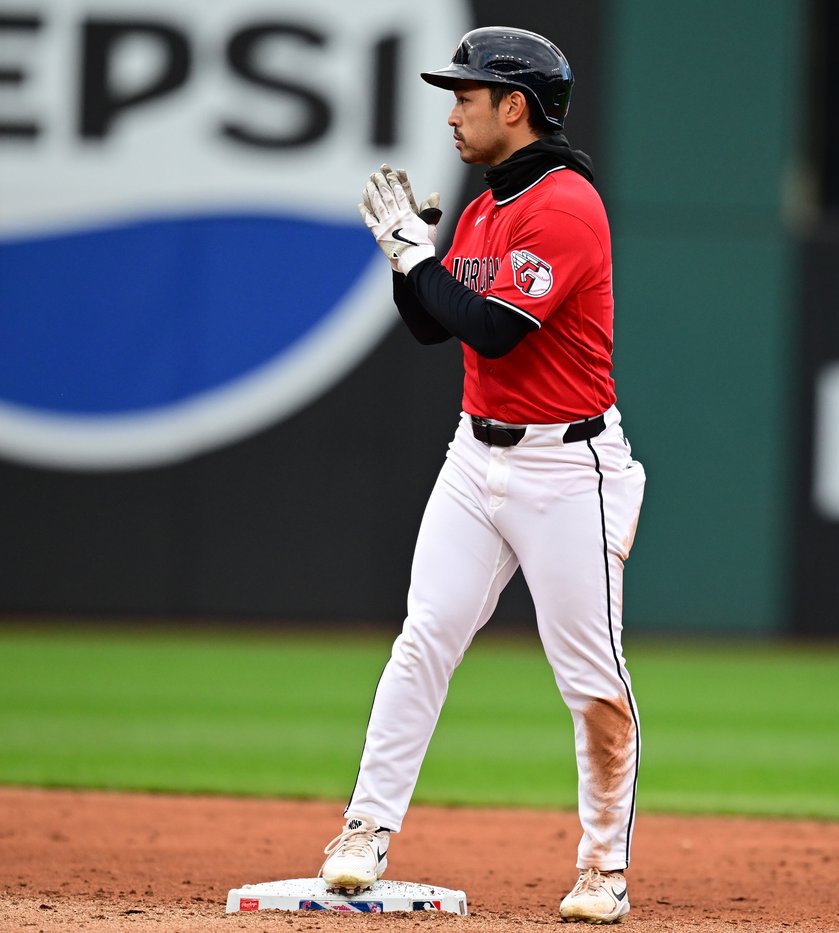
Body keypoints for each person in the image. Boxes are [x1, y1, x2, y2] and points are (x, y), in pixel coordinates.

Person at [318, 26, 645, 924]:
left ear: (516, 107)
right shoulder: (486, 205)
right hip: (476, 455)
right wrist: (407, 259)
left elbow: (498, 328)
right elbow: (433, 325)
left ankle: (603, 867)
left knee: (590, 678)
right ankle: (364, 828)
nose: (453, 112)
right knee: (426, 636)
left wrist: (416, 259)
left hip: (569, 466)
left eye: (466, 96)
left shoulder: (566, 203)